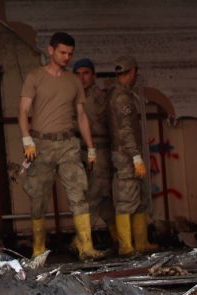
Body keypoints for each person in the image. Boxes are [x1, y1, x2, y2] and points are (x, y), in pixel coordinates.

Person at [17, 32, 102, 260]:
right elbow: (23, 111)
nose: (67, 57)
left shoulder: (73, 81)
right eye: (63, 52)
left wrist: (91, 147)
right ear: (50, 50)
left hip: (68, 144)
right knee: (39, 197)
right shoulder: (35, 77)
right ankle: (38, 248)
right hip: (40, 144)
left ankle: (86, 247)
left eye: (70, 54)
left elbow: (81, 116)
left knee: (79, 194)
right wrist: (27, 140)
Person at [107, 56, 156, 255]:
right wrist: (136, 156)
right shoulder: (122, 98)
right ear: (133, 72)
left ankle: (141, 243)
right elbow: (125, 130)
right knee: (126, 199)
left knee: (138, 198)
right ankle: (126, 246)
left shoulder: (122, 94)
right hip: (126, 154)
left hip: (127, 153)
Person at [73, 58, 115, 236]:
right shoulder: (75, 97)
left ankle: (82, 241)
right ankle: (118, 238)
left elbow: (102, 125)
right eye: (78, 74)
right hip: (82, 151)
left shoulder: (99, 97)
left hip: (99, 150)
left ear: (94, 75)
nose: (82, 78)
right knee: (103, 199)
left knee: (95, 194)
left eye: (86, 73)